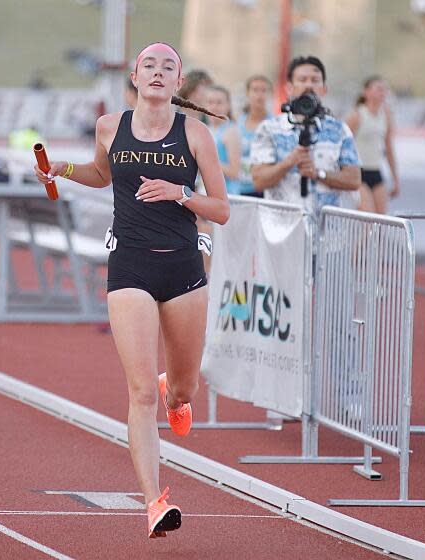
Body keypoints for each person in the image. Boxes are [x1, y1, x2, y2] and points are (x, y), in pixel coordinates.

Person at [34, 42, 229, 538]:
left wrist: (181, 195)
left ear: (178, 82)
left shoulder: (196, 134)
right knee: (139, 391)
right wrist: (64, 170)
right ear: (136, 78)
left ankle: (175, 391)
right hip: (130, 268)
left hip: (184, 269)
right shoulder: (109, 127)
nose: (158, 73)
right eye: (150, 66)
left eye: (169, 67)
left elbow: (222, 209)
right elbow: (102, 173)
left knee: (182, 390)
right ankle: (153, 503)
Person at [250, 56, 361, 214]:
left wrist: (318, 174)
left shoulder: (339, 130)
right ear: (289, 87)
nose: (309, 84)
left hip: (327, 231)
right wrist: (288, 163)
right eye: (302, 79)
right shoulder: (269, 129)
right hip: (282, 230)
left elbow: (354, 180)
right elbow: (259, 181)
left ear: (324, 88)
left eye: (315, 80)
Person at [345, 75, 400, 214]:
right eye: (378, 89)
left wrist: (395, 179)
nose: (382, 93)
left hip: (376, 171)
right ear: (366, 92)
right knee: (366, 221)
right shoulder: (357, 115)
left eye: (384, 90)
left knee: (381, 222)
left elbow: (388, 148)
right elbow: (342, 144)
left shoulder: (386, 114)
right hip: (358, 173)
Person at [237, 75, 272, 198]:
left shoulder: (275, 124)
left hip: (265, 190)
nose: (259, 95)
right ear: (247, 93)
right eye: (255, 90)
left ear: (269, 94)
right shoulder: (238, 123)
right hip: (239, 189)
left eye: (264, 90)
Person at [206, 85, 242, 195]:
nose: (214, 107)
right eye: (210, 102)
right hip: (207, 193)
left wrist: (203, 161)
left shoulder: (231, 131)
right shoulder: (206, 129)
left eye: (219, 103)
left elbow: (234, 172)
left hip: (228, 195)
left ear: (228, 106)